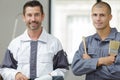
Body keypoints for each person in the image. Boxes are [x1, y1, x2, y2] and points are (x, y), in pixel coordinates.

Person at [0, 0, 69, 80]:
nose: (33, 19)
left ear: (42, 16)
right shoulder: (15, 44)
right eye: (29, 15)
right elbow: (4, 70)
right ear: (24, 17)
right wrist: (16, 75)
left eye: (36, 15)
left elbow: (63, 70)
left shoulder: (54, 43)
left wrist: (49, 77)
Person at [71, 1, 120, 80]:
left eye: (102, 15)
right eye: (95, 15)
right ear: (91, 16)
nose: (98, 19)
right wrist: (100, 61)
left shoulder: (118, 40)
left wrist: (90, 63)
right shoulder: (86, 42)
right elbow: (75, 69)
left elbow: (117, 73)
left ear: (110, 17)